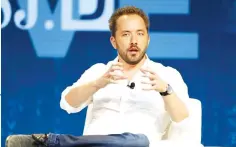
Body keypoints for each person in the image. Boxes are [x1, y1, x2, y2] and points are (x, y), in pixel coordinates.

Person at [6, 6, 203, 147]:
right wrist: (98, 84)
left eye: (140, 34)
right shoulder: (99, 71)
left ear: (148, 39)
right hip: (94, 143)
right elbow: (68, 103)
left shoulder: (166, 74)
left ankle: (52, 143)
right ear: (113, 41)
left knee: (139, 140)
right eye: (126, 34)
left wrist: (165, 90)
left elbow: (182, 118)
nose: (134, 41)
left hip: (138, 145)